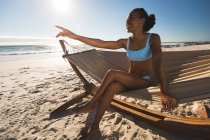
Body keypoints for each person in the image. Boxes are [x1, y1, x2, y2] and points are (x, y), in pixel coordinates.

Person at [56, 8, 177, 139]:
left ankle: (92, 104)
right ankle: (95, 127)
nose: (127, 21)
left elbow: (158, 63)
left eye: (131, 18)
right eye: (127, 19)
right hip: (129, 81)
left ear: (142, 20)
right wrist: (75, 36)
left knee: (112, 73)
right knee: (112, 87)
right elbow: (101, 43)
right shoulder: (126, 42)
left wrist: (163, 92)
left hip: (144, 81)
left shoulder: (153, 38)